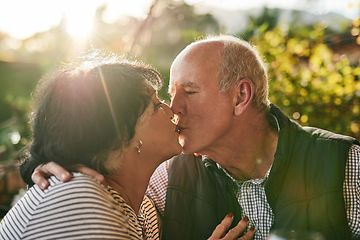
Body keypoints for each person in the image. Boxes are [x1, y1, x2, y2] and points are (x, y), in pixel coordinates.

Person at [22, 35, 360, 240]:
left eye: (190, 91)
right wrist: (47, 166)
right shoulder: (160, 178)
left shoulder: (347, 166)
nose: (174, 108)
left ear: (241, 96)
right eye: (166, 97)